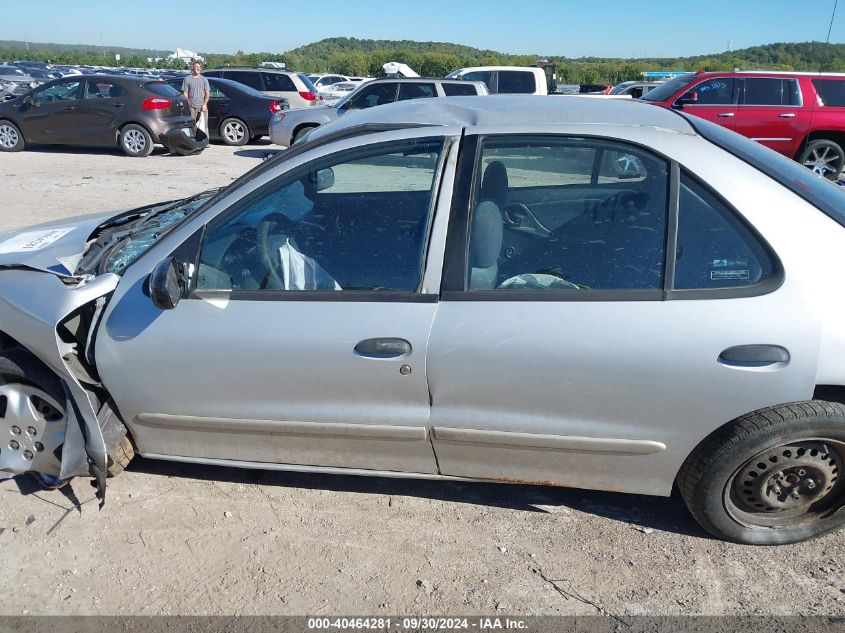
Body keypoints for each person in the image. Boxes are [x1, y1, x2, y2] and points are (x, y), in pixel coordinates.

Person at [182, 60, 210, 135]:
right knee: (192, 125)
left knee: (204, 125)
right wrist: (187, 102)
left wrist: (205, 104)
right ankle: (193, 142)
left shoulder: (204, 79)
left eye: (200, 67)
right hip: (191, 107)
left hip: (201, 106)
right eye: (197, 66)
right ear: (192, 67)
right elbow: (185, 92)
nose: (198, 68)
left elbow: (207, 93)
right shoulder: (187, 79)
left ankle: (205, 142)